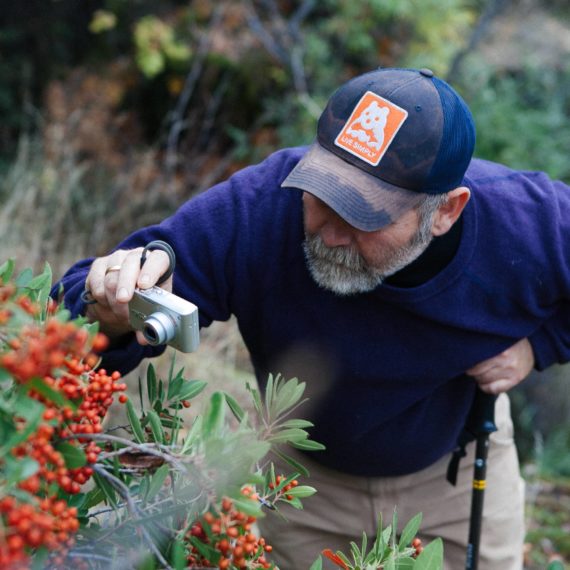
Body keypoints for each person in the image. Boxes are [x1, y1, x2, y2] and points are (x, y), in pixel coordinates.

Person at [54, 67, 570, 569]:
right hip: (300, 487)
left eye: (365, 214)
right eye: (322, 195)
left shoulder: (528, 223)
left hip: (457, 475)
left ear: (446, 212)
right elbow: (76, 308)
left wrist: (540, 345)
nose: (330, 232)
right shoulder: (260, 206)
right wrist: (114, 309)